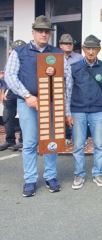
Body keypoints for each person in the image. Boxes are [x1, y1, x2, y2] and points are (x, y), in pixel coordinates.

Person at [5, 15, 62, 197]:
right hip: (27, 102)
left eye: (47, 31)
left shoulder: (57, 52)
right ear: (33, 32)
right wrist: (27, 95)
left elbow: (65, 77)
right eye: (40, 31)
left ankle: (50, 176)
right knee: (29, 142)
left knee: (50, 141)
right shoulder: (19, 51)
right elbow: (10, 77)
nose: (44, 34)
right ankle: (30, 179)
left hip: (51, 102)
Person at [65, 35, 102, 189]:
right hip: (78, 111)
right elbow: (68, 90)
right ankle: (79, 175)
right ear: (83, 49)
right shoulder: (73, 67)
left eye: (94, 48)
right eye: (88, 48)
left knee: (99, 144)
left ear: (98, 50)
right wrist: (68, 113)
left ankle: (97, 173)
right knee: (78, 145)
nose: (91, 51)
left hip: (98, 111)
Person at [58, 34, 83, 147]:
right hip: (60, 90)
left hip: (76, 91)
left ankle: (80, 138)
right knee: (63, 113)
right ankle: (66, 136)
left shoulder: (79, 58)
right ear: (61, 45)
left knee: (76, 114)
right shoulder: (55, 57)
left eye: (70, 43)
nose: (68, 45)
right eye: (65, 43)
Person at [0, 40, 25, 151]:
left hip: (23, 93)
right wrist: (2, 93)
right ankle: (9, 140)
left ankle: (23, 141)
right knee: (7, 117)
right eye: (14, 49)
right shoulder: (10, 61)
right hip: (11, 93)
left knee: (25, 117)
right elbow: (6, 80)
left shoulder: (27, 61)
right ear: (10, 50)